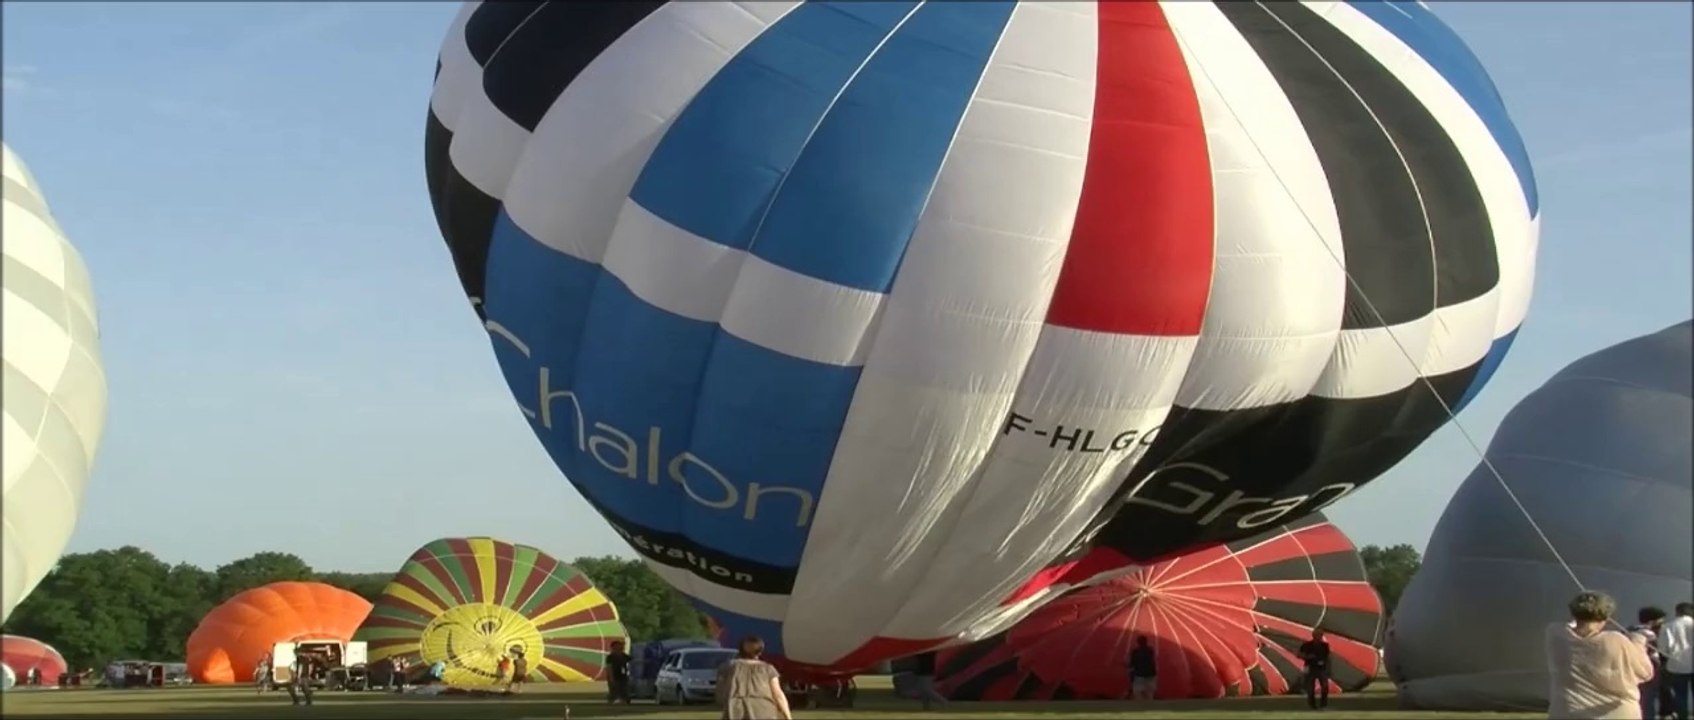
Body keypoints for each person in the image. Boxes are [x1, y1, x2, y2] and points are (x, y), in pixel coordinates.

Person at [1547, 590, 1655, 719]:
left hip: (1567, 712)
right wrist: (1639, 641)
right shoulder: (1615, 640)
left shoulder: (1555, 633)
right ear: (1607, 616)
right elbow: (1645, 672)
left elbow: (1569, 627)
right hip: (1615, 714)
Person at [715, 636, 793, 720]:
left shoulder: (728, 667)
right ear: (760, 651)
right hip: (763, 709)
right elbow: (778, 694)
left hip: (735, 709)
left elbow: (720, 691)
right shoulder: (768, 669)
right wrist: (787, 716)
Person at [1632, 607, 1670, 720]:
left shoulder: (1629, 630)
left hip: (1633, 667)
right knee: (1649, 697)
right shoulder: (1649, 634)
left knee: (1641, 697)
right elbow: (1656, 650)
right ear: (1652, 621)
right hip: (1650, 666)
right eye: (1660, 621)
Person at [1662, 603, 1694, 720]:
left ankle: (1682, 717)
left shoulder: (1667, 626)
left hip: (1676, 665)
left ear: (1677, 612)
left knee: (1680, 696)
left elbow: (1662, 648)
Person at [1300, 628, 1332, 710]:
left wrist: (1329, 669)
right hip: (1310, 668)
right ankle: (1312, 705)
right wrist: (1308, 657)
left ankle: (1323, 705)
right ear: (1314, 636)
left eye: (1321, 635)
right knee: (1310, 688)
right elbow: (1299, 654)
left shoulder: (1325, 646)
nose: (1320, 637)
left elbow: (1328, 658)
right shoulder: (1307, 645)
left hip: (1322, 668)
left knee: (1325, 687)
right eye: (1318, 635)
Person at [1129, 635, 1158, 700]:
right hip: (1151, 675)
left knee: (1138, 695)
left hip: (1140, 676)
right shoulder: (1150, 651)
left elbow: (1132, 665)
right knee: (1149, 695)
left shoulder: (1136, 652)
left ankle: (1141, 708)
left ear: (1138, 643)